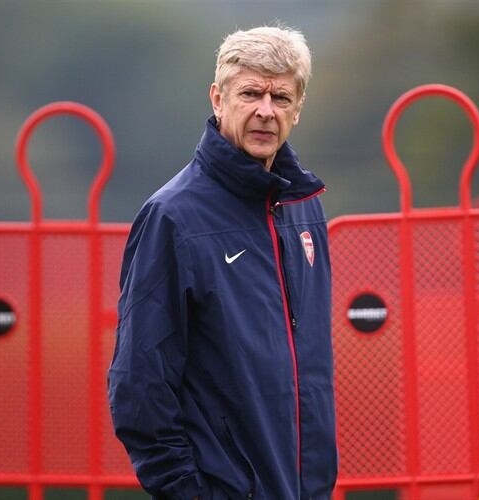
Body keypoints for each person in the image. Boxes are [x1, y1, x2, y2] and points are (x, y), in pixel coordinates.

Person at [108, 25, 337, 500]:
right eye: (250, 93)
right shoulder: (173, 217)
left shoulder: (305, 207)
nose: (265, 111)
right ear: (217, 98)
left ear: (299, 108)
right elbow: (139, 386)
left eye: (281, 97)